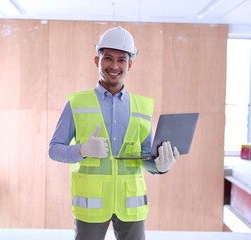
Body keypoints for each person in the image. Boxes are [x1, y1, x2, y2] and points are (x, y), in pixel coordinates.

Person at [48, 26, 179, 240]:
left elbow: (145, 156)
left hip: (131, 205)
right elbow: (54, 150)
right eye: (108, 58)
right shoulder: (77, 103)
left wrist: (160, 167)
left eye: (121, 60)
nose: (114, 66)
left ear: (130, 64)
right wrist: (82, 150)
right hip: (91, 205)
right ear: (96, 61)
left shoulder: (142, 107)